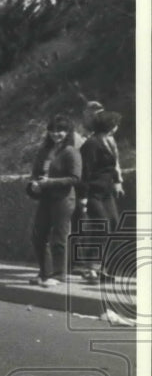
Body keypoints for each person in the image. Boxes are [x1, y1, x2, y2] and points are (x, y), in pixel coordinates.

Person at [26, 115, 81, 287]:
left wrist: (49, 182)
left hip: (63, 199)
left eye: (60, 130)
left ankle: (58, 275)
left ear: (67, 132)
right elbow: (35, 172)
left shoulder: (71, 152)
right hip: (45, 198)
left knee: (59, 237)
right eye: (53, 130)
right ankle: (44, 273)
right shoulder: (44, 151)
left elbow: (75, 178)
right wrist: (34, 183)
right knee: (38, 235)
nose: (56, 134)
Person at [79, 110, 125, 284]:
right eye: (115, 124)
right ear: (109, 126)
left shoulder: (108, 141)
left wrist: (117, 182)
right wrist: (83, 197)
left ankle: (104, 268)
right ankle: (91, 268)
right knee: (102, 225)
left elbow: (112, 166)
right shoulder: (91, 144)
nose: (117, 127)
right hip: (92, 192)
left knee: (113, 224)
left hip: (106, 192)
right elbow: (85, 172)